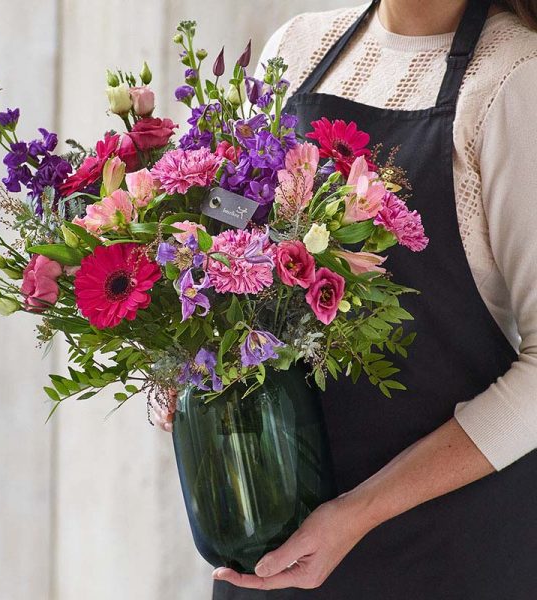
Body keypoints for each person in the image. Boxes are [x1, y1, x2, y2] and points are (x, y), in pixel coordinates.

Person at [155, 1, 537, 597]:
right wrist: (192, 366)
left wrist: (355, 514)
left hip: (448, 557)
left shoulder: (514, 80)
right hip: (275, 552)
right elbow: (227, 233)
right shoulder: (297, 49)